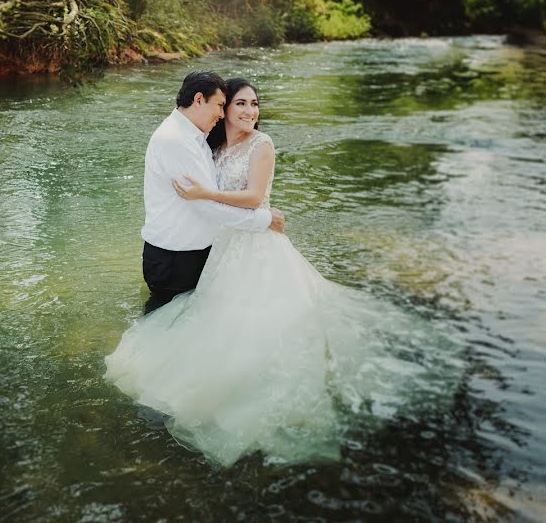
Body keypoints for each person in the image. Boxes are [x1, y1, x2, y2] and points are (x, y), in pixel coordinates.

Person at [105, 78, 428, 467]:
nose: (249, 111)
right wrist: (240, 210)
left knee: (261, 321)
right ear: (218, 108)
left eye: (254, 104)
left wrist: (217, 199)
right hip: (220, 245)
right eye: (238, 103)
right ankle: (208, 381)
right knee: (214, 315)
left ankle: (244, 387)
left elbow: (255, 198)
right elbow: (220, 204)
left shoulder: (262, 144)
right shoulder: (209, 143)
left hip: (253, 245)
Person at [140, 70, 284, 314]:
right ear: (198, 100)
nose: (220, 112)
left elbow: (214, 195)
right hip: (175, 258)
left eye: (254, 104)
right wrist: (265, 219)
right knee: (166, 322)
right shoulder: (175, 140)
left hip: (208, 252)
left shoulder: (200, 137)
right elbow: (204, 205)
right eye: (221, 105)